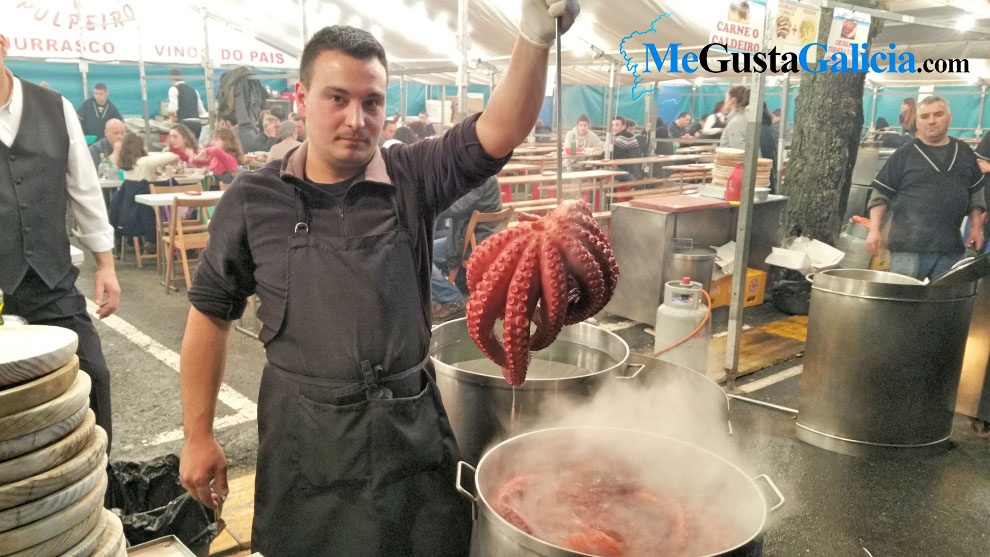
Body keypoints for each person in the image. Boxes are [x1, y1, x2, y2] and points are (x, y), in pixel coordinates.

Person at [178, 8, 580, 554]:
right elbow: (210, 314)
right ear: (301, 98)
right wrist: (198, 434)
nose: (356, 119)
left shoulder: (412, 175)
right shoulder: (253, 199)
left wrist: (533, 36)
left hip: (408, 427)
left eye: (372, 102)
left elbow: (499, 130)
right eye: (336, 98)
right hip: (305, 439)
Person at [0, 33, 120, 448]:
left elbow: (84, 189)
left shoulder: (56, 108)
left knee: (94, 375)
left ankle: (99, 486)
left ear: (2, 45)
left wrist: (105, 264)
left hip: (49, 280)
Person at [866, 95, 986, 280]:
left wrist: (976, 228)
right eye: (925, 116)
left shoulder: (964, 152)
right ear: (917, 122)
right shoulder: (905, 154)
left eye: (938, 114)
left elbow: (975, 193)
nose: (931, 121)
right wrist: (874, 230)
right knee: (905, 302)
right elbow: (880, 193)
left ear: (949, 118)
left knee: (942, 304)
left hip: (950, 248)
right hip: (908, 248)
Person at [431, 175, 503, 321]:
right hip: (480, 236)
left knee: (420, 254)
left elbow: (456, 208)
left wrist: (427, 202)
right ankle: (458, 286)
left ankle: (452, 299)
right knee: (435, 238)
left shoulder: (481, 178)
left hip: (475, 242)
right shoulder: (487, 176)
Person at [167, 68, 208, 138]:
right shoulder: (194, 91)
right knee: (194, 146)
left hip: (184, 124)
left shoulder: (173, 89)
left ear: (172, 79)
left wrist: (169, 114)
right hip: (197, 123)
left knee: (184, 147)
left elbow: (173, 109)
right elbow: (202, 111)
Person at [611, 115, 643, 181]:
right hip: (635, 171)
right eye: (612, 125)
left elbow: (612, 155)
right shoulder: (628, 135)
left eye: (617, 125)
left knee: (600, 172)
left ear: (623, 127)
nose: (613, 127)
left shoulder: (623, 137)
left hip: (630, 173)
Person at [720, 85, 749, 149]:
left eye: (726, 97)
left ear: (732, 100)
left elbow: (738, 151)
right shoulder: (743, 118)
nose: (725, 101)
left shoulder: (736, 122)